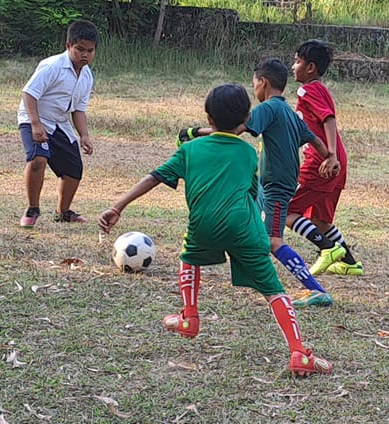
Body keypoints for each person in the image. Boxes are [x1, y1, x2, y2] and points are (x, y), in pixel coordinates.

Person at [99, 83, 333, 376]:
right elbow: (251, 191)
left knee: (189, 255)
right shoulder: (248, 153)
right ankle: (299, 352)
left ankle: (189, 317)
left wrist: (117, 206)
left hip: (203, 225)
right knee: (273, 290)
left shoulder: (190, 149)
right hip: (244, 228)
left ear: (208, 118)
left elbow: (154, 177)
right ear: (246, 118)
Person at [225, 58, 333, 306]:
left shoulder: (268, 108)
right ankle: (254, 275)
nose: (254, 89)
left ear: (263, 82)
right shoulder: (290, 112)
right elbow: (315, 140)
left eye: (254, 84)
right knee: (253, 226)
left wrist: (197, 133)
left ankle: (317, 290)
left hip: (276, 185)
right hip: (271, 183)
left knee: (274, 241)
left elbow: (237, 130)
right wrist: (330, 157)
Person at [285, 39, 364, 277]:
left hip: (322, 162)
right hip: (337, 161)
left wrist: (329, 155)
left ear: (310, 67)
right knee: (320, 219)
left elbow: (328, 119)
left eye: (297, 61)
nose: (293, 66)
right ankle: (349, 263)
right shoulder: (320, 89)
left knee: (286, 211)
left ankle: (327, 248)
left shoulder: (307, 90)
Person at [17, 20, 98, 227]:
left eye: (90, 51)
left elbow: (78, 109)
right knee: (38, 159)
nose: (85, 55)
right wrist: (35, 124)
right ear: (68, 45)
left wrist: (84, 135)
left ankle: (63, 212)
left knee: (73, 169)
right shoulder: (52, 66)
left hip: (59, 122)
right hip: (34, 117)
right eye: (80, 49)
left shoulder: (86, 75)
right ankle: (32, 209)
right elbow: (29, 93)